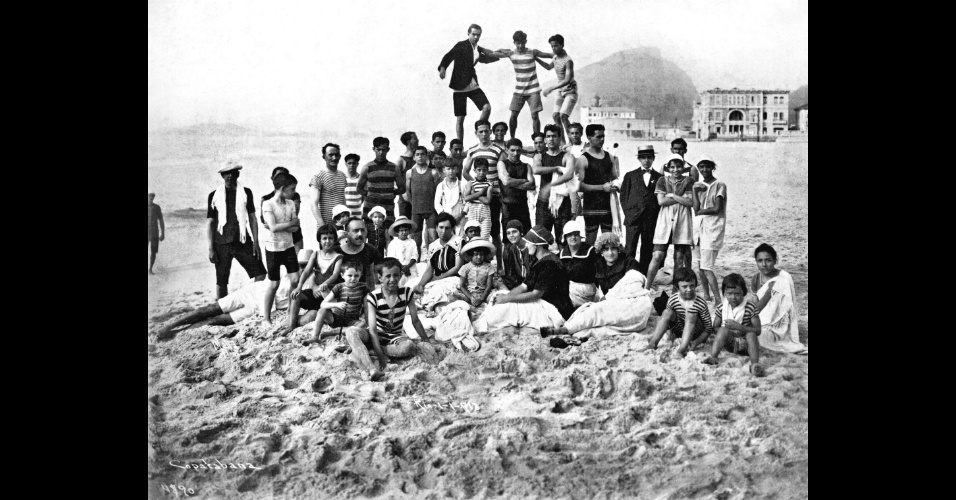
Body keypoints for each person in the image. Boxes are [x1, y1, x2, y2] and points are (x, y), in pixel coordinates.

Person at [154, 250, 317, 340]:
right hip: (252, 294)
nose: (302, 269)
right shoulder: (284, 270)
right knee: (212, 309)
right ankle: (170, 325)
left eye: (306, 265)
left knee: (218, 321)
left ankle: (179, 333)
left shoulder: (310, 283)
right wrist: (265, 315)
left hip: (256, 310)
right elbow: (267, 289)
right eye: (300, 265)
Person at [540, 233, 651, 340]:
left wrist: (608, 297)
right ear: (601, 251)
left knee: (597, 310)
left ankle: (565, 329)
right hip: (612, 305)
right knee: (593, 318)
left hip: (633, 304)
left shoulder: (629, 262)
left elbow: (634, 282)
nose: (610, 253)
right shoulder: (599, 264)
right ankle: (572, 332)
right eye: (606, 249)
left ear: (619, 249)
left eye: (613, 248)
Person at [349, 258, 430, 380]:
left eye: (396, 275)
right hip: (374, 334)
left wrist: (426, 339)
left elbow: (415, 320)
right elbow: (372, 330)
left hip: (394, 336)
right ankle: (371, 368)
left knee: (408, 346)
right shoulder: (373, 296)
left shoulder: (407, 292)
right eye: (388, 276)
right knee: (351, 332)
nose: (392, 279)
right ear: (380, 277)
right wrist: (380, 356)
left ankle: (368, 349)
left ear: (401, 275)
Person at [485, 226, 575, 329]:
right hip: (543, 303)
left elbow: (535, 294)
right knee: (498, 296)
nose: (526, 246)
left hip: (555, 309)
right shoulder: (538, 260)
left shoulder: (550, 264)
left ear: (538, 245)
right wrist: (506, 296)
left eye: (528, 243)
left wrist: (507, 299)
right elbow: (524, 286)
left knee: (507, 307)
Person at [207, 160, 267, 299]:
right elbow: (211, 223)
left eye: (233, 173)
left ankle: (254, 300)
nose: (230, 176)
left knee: (260, 273)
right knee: (221, 281)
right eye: (226, 173)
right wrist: (210, 248)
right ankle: (222, 306)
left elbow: (252, 218)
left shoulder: (246, 193)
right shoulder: (214, 195)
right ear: (222, 175)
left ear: (237, 174)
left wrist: (256, 242)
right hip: (221, 243)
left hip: (242, 240)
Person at [438, 24, 498, 142]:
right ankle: (459, 145)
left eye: (478, 35)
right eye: (473, 34)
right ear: (468, 34)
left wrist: (503, 56)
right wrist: (443, 68)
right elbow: (448, 56)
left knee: (486, 107)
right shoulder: (461, 45)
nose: (476, 37)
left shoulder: (477, 48)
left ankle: (481, 131)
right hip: (459, 85)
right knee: (460, 118)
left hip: (472, 84)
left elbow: (485, 59)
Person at [645, 154, 695, 291]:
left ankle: (675, 291)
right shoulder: (662, 180)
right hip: (665, 219)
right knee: (657, 255)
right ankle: (647, 287)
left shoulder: (688, 180)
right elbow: (661, 201)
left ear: (683, 167)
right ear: (668, 168)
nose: (675, 169)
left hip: (682, 219)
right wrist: (681, 198)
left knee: (679, 258)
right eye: (672, 167)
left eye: (678, 166)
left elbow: (690, 202)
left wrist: (672, 195)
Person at [492, 30, 552, 139]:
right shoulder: (511, 53)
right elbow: (492, 53)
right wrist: (499, 49)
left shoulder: (532, 52)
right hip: (519, 90)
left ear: (526, 41)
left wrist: (561, 54)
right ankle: (512, 139)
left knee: (534, 115)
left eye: (522, 43)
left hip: (533, 89)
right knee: (513, 114)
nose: (520, 46)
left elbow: (548, 55)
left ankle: (537, 139)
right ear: (514, 43)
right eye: (518, 43)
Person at [750, 243, 807, 354]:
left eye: (768, 260)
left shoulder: (784, 277)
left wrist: (769, 293)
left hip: (779, 323)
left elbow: (787, 308)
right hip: (759, 317)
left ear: (775, 261)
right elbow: (755, 305)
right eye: (760, 261)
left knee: (758, 337)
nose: (764, 264)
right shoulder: (756, 278)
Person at [702, 274, 763, 375]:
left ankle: (754, 364)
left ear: (744, 293)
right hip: (730, 344)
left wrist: (739, 327)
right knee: (722, 330)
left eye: (737, 294)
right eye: (729, 293)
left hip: (746, 345)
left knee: (751, 335)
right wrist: (729, 331)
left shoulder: (750, 308)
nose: (733, 297)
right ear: (724, 293)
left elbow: (758, 330)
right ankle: (713, 357)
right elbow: (715, 328)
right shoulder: (722, 307)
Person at [645, 268, 714, 357]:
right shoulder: (673, 299)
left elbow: (708, 329)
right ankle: (653, 344)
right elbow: (668, 321)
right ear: (677, 287)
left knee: (691, 315)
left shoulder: (700, 303)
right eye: (684, 286)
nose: (689, 289)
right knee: (666, 312)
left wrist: (696, 342)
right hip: (679, 331)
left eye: (692, 285)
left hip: (695, 333)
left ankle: (681, 350)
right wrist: (670, 333)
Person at [261, 173, 301, 327]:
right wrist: (289, 224)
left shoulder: (291, 203)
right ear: (283, 188)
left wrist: (281, 226)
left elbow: (296, 228)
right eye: (292, 189)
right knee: (274, 284)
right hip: (273, 249)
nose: (294, 192)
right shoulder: (268, 204)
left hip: (288, 246)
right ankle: (266, 318)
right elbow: (273, 228)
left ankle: (291, 311)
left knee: (295, 280)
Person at [286, 226, 343, 333]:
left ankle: (303, 319)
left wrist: (324, 285)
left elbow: (335, 275)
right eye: (324, 238)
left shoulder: (338, 257)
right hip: (315, 293)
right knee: (296, 295)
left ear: (334, 239)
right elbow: (306, 271)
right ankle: (291, 326)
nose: (327, 241)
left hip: (328, 294)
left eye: (330, 238)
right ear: (319, 240)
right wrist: (299, 287)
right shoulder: (316, 254)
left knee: (312, 315)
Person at [462, 120, 507, 253]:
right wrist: (477, 186)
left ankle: (499, 263)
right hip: (476, 199)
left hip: (493, 196)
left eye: (486, 131)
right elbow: (465, 172)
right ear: (476, 133)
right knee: (474, 230)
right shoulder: (472, 150)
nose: (484, 134)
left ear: (490, 132)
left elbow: (503, 173)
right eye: (480, 131)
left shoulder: (498, 150)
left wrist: (491, 188)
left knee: (494, 232)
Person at [302, 259, 370, 346]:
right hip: (335, 318)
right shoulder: (339, 287)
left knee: (362, 324)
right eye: (349, 275)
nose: (353, 279)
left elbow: (366, 306)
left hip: (352, 320)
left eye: (356, 276)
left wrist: (367, 320)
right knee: (322, 310)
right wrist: (336, 304)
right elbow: (323, 304)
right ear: (342, 275)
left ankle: (332, 332)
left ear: (361, 275)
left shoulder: (363, 288)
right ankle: (315, 337)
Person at [620, 145, 663, 275]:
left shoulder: (659, 177)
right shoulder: (630, 175)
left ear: (653, 158)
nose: (646, 160)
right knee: (630, 248)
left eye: (649, 157)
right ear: (639, 159)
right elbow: (623, 197)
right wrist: (629, 213)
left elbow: (660, 199)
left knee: (647, 248)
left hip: (650, 219)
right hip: (633, 219)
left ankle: (644, 275)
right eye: (643, 158)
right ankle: (628, 274)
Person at [575, 124, 620, 245]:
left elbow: (615, 178)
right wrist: (602, 188)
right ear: (589, 138)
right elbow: (579, 186)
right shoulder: (583, 159)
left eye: (603, 136)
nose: (602, 139)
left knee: (609, 242)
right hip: (591, 207)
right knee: (590, 243)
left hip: (607, 206)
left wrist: (617, 185)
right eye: (598, 136)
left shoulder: (609, 157)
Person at [414, 212, 468, 313]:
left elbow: (457, 267)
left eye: (447, 228)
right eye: (441, 227)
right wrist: (420, 284)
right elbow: (429, 269)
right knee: (413, 286)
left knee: (438, 291)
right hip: (438, 278)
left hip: (454, 278)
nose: (443, 231)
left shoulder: (459, 242)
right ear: (436, 228)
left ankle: (438, 307)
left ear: (452, 229)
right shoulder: (433, 246)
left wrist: (439, 277)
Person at [691, 155, 727, 302]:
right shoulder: (698, 186)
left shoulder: (720, 185)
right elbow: (695, 208)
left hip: (712, 229)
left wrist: (701, 211)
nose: (704, 169)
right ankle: (706, 295)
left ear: (713, 167)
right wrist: (694, 190)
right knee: (700, 266)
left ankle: (718, 299)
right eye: (702, 166)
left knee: (707, 267)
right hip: (698, 228)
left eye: (707, 166)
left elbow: (717, 208)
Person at [532, 124, 576, 240]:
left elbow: (569, 174)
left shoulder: (567, 156)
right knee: (541, 239)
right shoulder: (539, 157)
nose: (551, 139)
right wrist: (556, 168)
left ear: (560, 138)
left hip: (563, 203)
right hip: (543, 202)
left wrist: (550, 185)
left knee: (563, 239)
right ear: (545, 139)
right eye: (548, 136)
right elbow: (536, 170)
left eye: (554, 136)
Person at [538, 34, 577, 144]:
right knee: (555, 116)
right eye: (552, 46)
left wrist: (551, 88)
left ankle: (572, 142)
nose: (554, 48)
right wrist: (535, 57)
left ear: (562, 45)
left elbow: (567, 80)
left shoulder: (568, 61)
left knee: (563, 116)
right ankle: (563, 143)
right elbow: (548, 66)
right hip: (560, 90)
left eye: (556, 46)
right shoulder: (555, 57)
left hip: (570, 90)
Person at [358, 137, 406, 226]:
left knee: (387, 232)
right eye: (378, 149)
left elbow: (402, 188)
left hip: (388, 207)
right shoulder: (367, 167)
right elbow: (359, 188)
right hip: (370, 208)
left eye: (383, 150)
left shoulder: (394, 168)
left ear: (388, 149)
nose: (381, 152)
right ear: (373, 149)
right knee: (370, 231)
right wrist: (371, 195)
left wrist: (390, 193)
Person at [404, 146, 440, 251]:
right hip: (416, 210)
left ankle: (433, 258)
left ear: (426, 156)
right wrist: (414, 204)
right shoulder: (410, 173)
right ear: (414, 157)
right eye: (417, 154)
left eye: (422, 154)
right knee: (416, 240)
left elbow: (437, 192)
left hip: (430, 210)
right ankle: (417, 259)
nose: (420, 157)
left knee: (433, 237)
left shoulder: (433, 172)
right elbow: (408, 191)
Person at [261, 167, 304, 253]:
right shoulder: (266, 199)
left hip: (294, 238)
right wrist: (288, 224)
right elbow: (264, 221)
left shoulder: (293, 197)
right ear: (273, 178)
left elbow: (295, 224)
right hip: (275, 243)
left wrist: (275, 226)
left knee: (298, 259)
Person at [497, 138, 535, 234]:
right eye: (512, 150)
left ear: (521, 151)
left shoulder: (526, 166)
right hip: (507, 206)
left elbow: (532, 185)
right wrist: (523, 180)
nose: (515, 153)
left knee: (526, 236)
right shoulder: (502, 164)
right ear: (507, 150)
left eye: (518, 150)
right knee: (508, 237)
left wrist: (512, 182)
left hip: (523, 206)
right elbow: (506, 181)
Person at [451, 238, 500, 310]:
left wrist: (482, 298)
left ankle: (480, 307)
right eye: (476, 254)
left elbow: (489, 286)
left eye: (481, 254)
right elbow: (462, 286)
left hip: (484, 293)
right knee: (453, 297)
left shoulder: (489, 267)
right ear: (471, 255)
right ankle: (472, 308)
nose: (479, 257)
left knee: (496, 298)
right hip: (469, 294)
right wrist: (471, 297)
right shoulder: (465, 268)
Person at [559, 220, 600, 307]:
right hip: (568, 290)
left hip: (586, 291)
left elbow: (599, 275)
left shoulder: (591, 252)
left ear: (580, 236)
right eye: (570, 235)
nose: (573, 237)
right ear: (565, 237)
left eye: (576, 234)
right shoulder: (562, 254)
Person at [337, 217, 384, 289]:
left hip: (363, 293)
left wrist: (371, 293)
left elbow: (371, 275)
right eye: (355, 231)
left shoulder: (371, 250)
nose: (360, 234)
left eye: (362, 230)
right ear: (347, 233)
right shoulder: (337, 251)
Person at [309, 143, 348, 229]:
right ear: (324, 157)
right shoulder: (318, 176)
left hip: (340, 225)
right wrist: (323, 226)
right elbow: (313, 204)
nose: (334, 158)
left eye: (336, 155)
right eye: (330, 155)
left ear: (340, 156)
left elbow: (343, 200)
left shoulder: (342, 176)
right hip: (326, 226)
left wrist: (346, 222)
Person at [463, 158, 494, 239]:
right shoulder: (471, 183)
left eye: (484, 170)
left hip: (484, 211)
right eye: (479, 170)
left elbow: (487, 201)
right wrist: (480, 193)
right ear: (474, 170)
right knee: (472, 236)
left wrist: (474, 194)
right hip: (473, 210)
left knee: (484, 236)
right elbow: (466, 198)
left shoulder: (489, 184)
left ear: (487, 170)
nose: (481, 173)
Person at [500, 220, 534, 289]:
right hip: (521, 281)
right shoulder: (512, 249)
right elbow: (512, 273)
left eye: (514, 232)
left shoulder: (530, 247)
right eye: (508, 233)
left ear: (521, 232)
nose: (511, 235)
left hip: (532, 282)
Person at [386, 217, 420, 286]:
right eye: (401, 230)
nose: (404, 232)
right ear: (397, 232)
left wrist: (408, 267)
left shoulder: (412, 242)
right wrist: (402, 268)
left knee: (412, 285)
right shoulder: (393, 243)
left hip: (411, 269)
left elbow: (415, 255)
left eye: (406, 230)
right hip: (398, 270)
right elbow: (392, 258)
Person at [434, 161, 466, 229]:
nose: (451, 171)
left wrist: (460, 215)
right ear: (444, 170)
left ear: (457, 170)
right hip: (446, 218)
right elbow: (437, 204)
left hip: (460, 219)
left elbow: (467, 203)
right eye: (448, 169)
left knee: (461, 234)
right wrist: (444, 217)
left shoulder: (462, 185)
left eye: (453, 169)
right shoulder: (441, 186)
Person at [395, 131, 420, 218]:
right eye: (415, 138)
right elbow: (395, 179)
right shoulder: (401, 160)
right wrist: (403, 193)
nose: (418, 140)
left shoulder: (420, 158)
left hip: (418, 198)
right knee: (405, 222)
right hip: (405, 200)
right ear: (409, 141)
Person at [148, 193, 165, 274]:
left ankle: (150, 269)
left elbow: (161, 220)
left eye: (152, 198)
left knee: (153, 251)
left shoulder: (156, 207)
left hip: (154, 232)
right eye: (150, 198)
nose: (151, 199)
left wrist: (163, 233)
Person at [343, 154, 364, 218]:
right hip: (344, 214)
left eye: (354, 163)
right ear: (346, 164)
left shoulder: (361, 179)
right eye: (349, 163)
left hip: (357, 213)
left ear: (357, 164)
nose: (351, 165)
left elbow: (363, 196)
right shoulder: (342, 178)